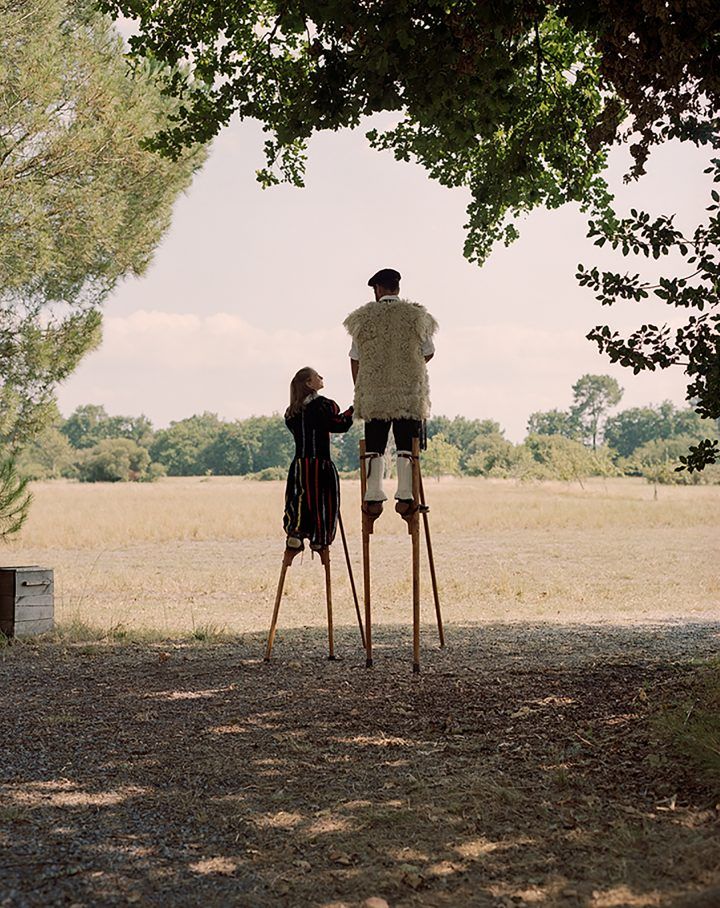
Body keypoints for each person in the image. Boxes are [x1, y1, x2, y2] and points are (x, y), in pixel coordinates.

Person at [344, 268, 437, 518]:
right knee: (407, 444)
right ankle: (406, 496)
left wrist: (362, 385)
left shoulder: (363, 319)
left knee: (374, 445)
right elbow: (428, 351)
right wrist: (408, 367)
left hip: (374, 394)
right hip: (408, 393)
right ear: (397, 288)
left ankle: (373, 496)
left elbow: (355, 358)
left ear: (377, 289)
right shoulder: (416, 316)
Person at [283, 367, 354, 552]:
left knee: (299, 498)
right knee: (324, 501)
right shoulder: (323, 406)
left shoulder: (292, 412)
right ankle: (320, 539)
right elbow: (339, 425)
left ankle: (296, 533)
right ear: (309, 383)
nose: (321, 377)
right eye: (317, 376)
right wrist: (353, 410)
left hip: (299, 465)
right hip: (320, 465)